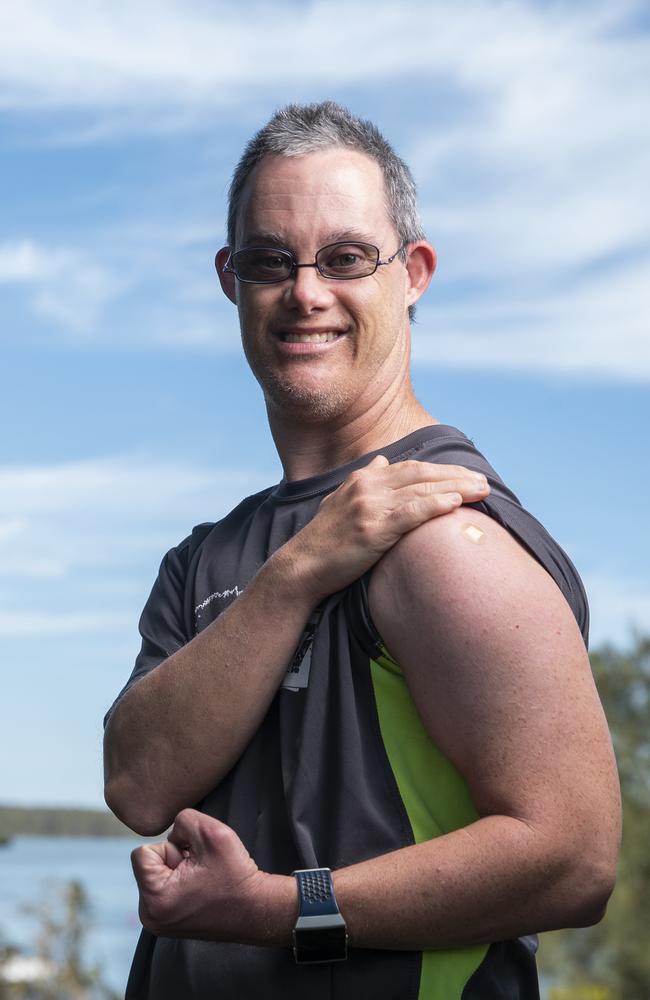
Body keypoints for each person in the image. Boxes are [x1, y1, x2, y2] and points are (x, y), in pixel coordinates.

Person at [103, 102, 621, 1000]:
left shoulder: (447, 533)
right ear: (232, 279)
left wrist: (277, 907)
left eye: (346, 258)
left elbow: (572, 861)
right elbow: (137, 785)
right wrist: (298, 572)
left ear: (412, 272)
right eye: (271, 260)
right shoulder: (204, 560)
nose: (306, 293)